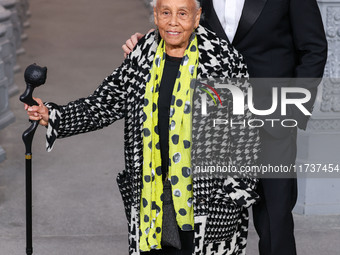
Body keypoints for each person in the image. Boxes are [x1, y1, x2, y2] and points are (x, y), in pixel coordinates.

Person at [24, 0, 260, 254]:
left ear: (197, 16)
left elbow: (245, 138)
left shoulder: (222, 60)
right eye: (165, 12)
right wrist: (54, 115)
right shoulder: (142, 54)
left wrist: (231, 199)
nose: (173, 22)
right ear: (155, 14)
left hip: (207, 201)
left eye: (182, 13)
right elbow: (104, 103)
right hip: (152, 196)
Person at [122, 0, 328, 255]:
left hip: (271, 120)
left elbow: (314, 48)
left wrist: (290, 112)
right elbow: (178, 22)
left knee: (275, 219)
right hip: (211, 122)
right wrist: (145, 44)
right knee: (207, 222)